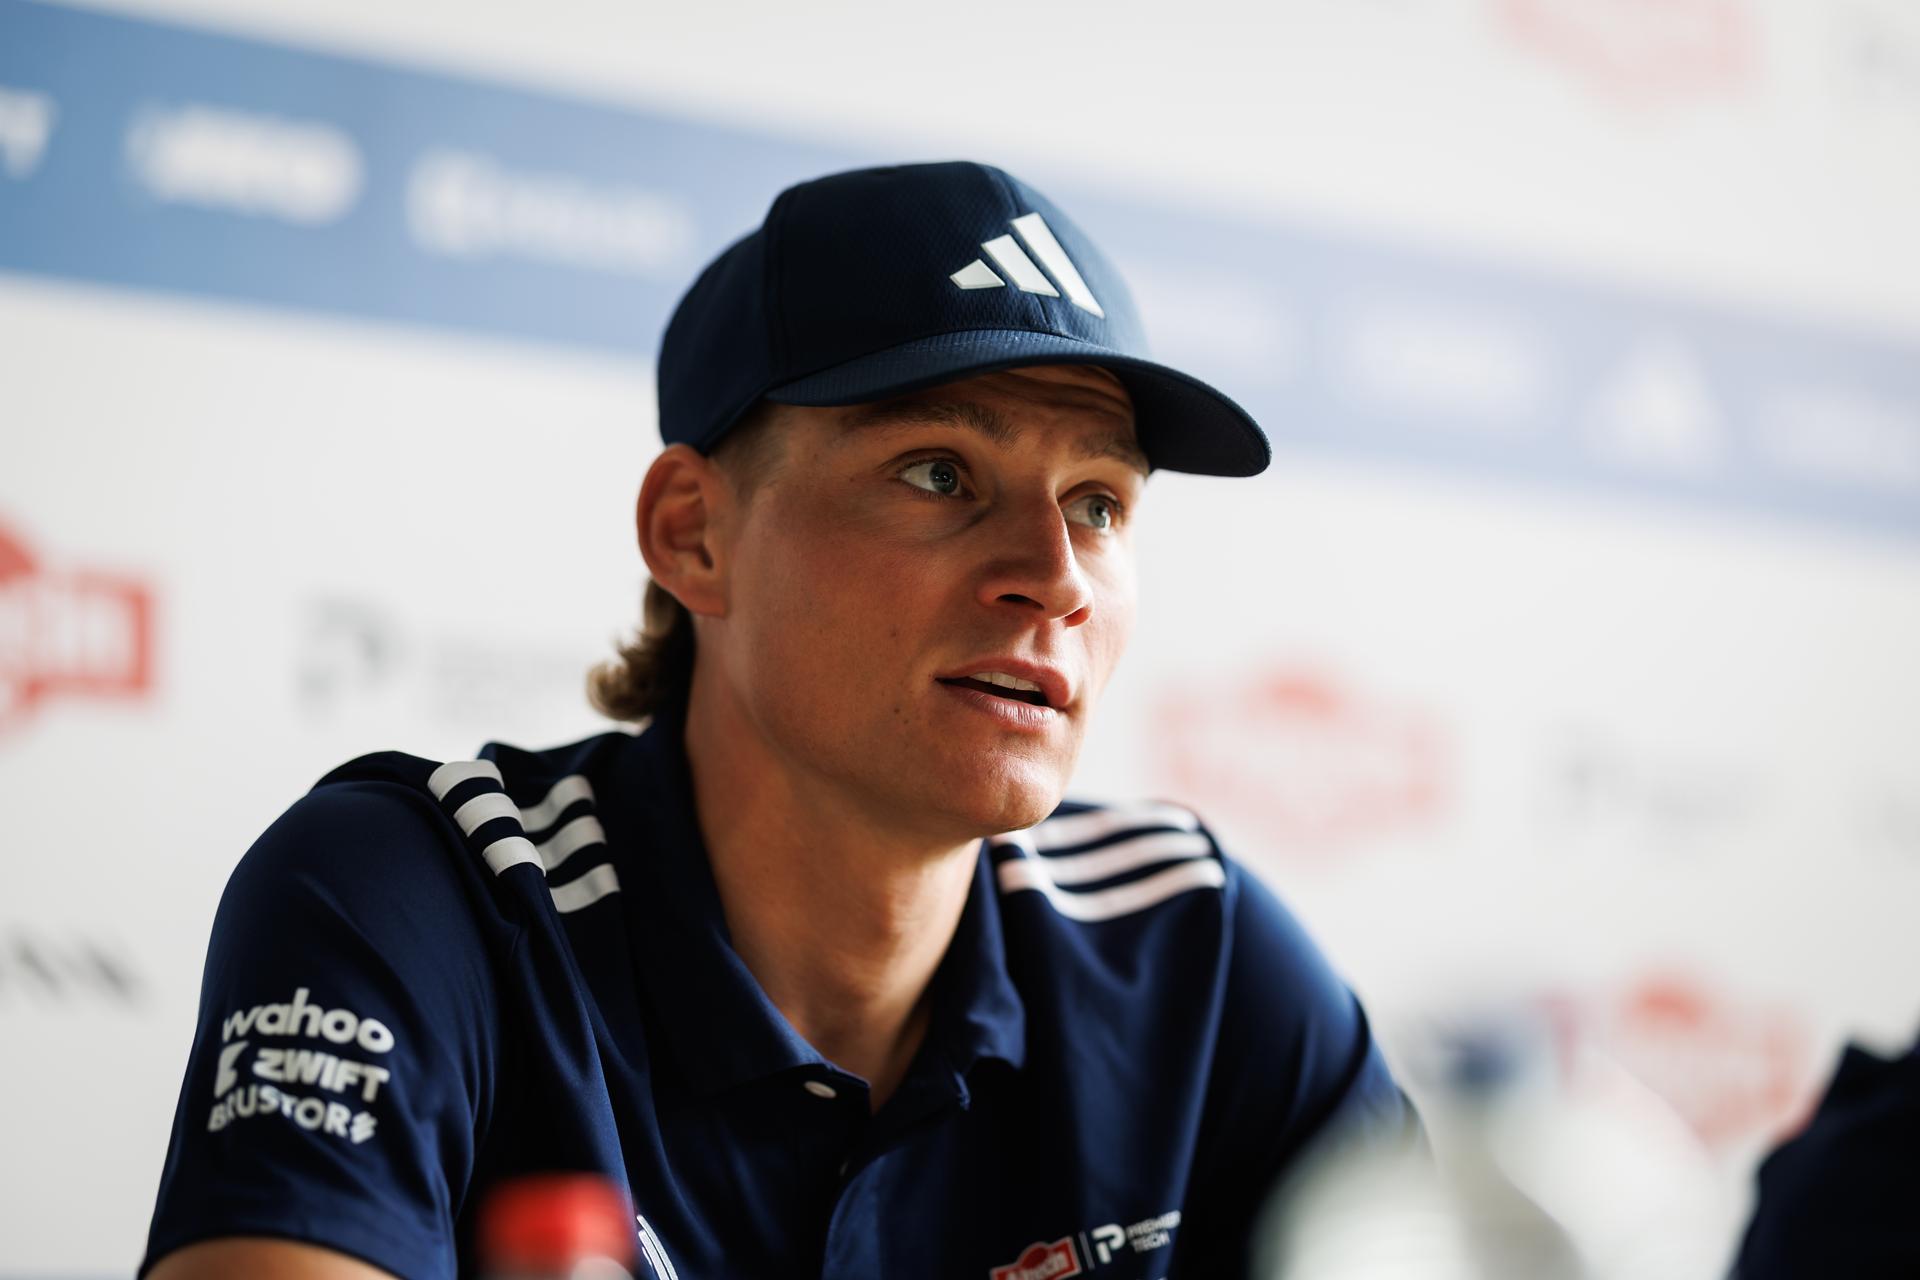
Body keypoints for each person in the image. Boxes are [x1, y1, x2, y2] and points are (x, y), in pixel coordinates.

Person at [142, 161, 1416, 1280]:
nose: (1057, 575)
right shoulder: (428, 896)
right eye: (939, 473)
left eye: (1098, 502)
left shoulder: (1191, 944)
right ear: (694, 533)